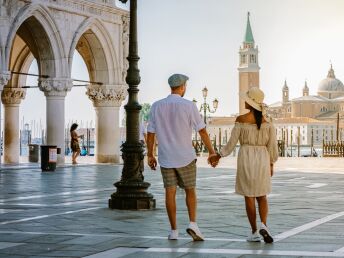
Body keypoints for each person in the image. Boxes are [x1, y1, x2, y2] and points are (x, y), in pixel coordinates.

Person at [147, 73, 217, 241]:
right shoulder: (188, 106)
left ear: (170, 87)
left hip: (166, 157)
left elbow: (150, 134)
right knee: (190, 191)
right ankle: (193, 223)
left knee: (169, 193)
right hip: (185, 156)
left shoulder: (156, 106)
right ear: (183, 87)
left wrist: (150, 154)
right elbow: (202, 130)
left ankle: (173, 231)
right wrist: (212, 152)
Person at [209, 87, 278, 243]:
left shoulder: (241, 120)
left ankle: (254, 231)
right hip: (262, 158)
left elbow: (232, 143)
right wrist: (271, 163)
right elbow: (272, 147)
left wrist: (218, 155)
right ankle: (264, 225)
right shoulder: (268, 122)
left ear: (251, 103)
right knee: (262, 195)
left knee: (249, 196)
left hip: (246, 157)